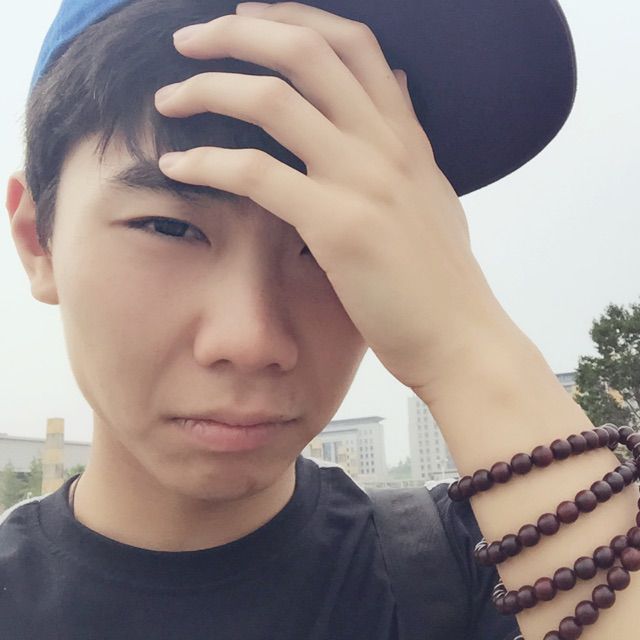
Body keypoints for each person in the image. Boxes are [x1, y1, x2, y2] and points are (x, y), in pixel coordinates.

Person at [1, 1, 637, 638]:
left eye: (329, 241)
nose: (251, 341)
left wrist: (465, 346)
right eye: (168, 227)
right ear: (37, 239)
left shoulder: (502, 564)